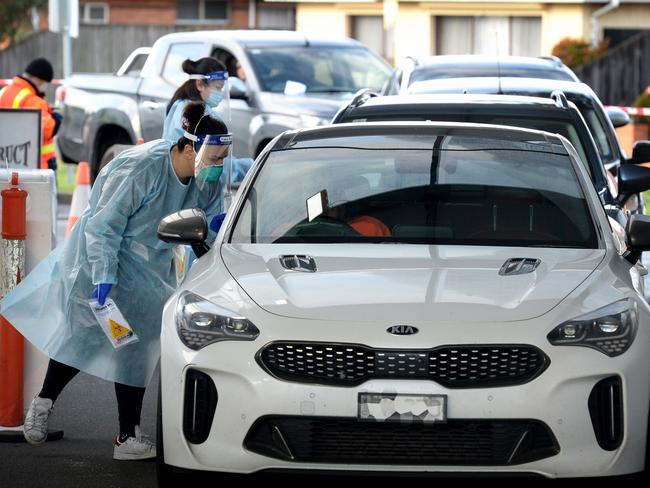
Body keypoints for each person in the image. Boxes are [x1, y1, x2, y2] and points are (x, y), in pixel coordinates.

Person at [0, 101, 231, 460]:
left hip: (149, 273)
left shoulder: (204, 178)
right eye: (213, 158)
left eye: (221, 159)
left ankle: (127, 437)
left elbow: (206, 220)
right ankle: (43, 403)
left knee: (136, 351)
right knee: (83, 339)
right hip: (100, 262)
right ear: (188, 148)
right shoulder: (142, 169)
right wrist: (103, 275)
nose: (217, 167)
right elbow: (104, 226)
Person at [163, 57, 252, 182]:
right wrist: (251, 167)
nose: (220, 93)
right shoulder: (191, 113)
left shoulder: (186, 105)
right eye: (218, 87)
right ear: (200, 84)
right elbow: (212, 159)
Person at [0, 57, 62, 170]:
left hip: (5, 161)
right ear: (39, 79)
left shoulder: (3, 92)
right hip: (35, 166)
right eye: (45, 82)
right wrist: (57, 119)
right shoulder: (32, 100)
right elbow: (47, 130)